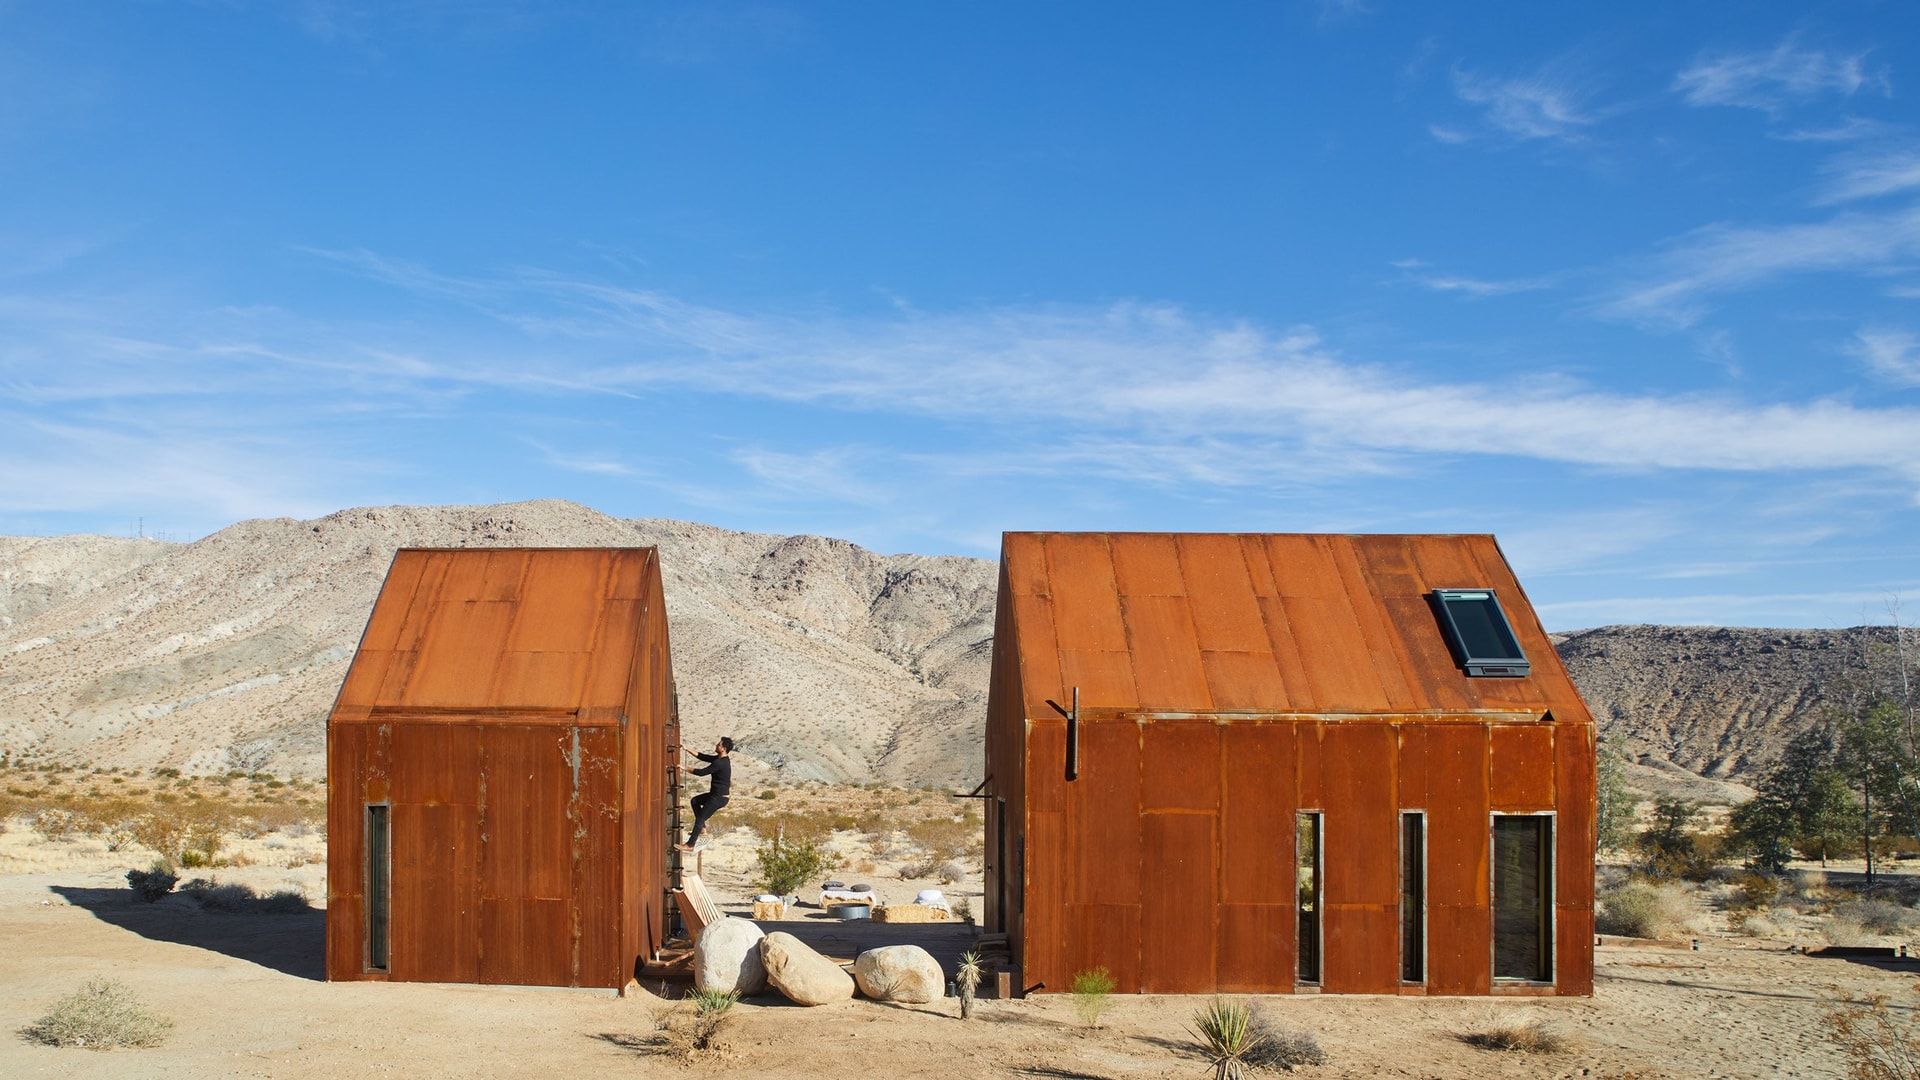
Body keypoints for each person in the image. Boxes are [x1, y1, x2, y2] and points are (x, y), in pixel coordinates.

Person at [678, 737, 734, 851]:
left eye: (719, 744)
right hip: (714, 795)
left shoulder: (720, 763)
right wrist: (686, 748)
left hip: (719, 798)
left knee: (700, 818)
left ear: (723, 749)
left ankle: (690, 845)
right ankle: (702, 829)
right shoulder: (719, 759)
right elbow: (702, 756)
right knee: (695, 801)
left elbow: (701, 773)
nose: (716, 745)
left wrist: (684, 768)